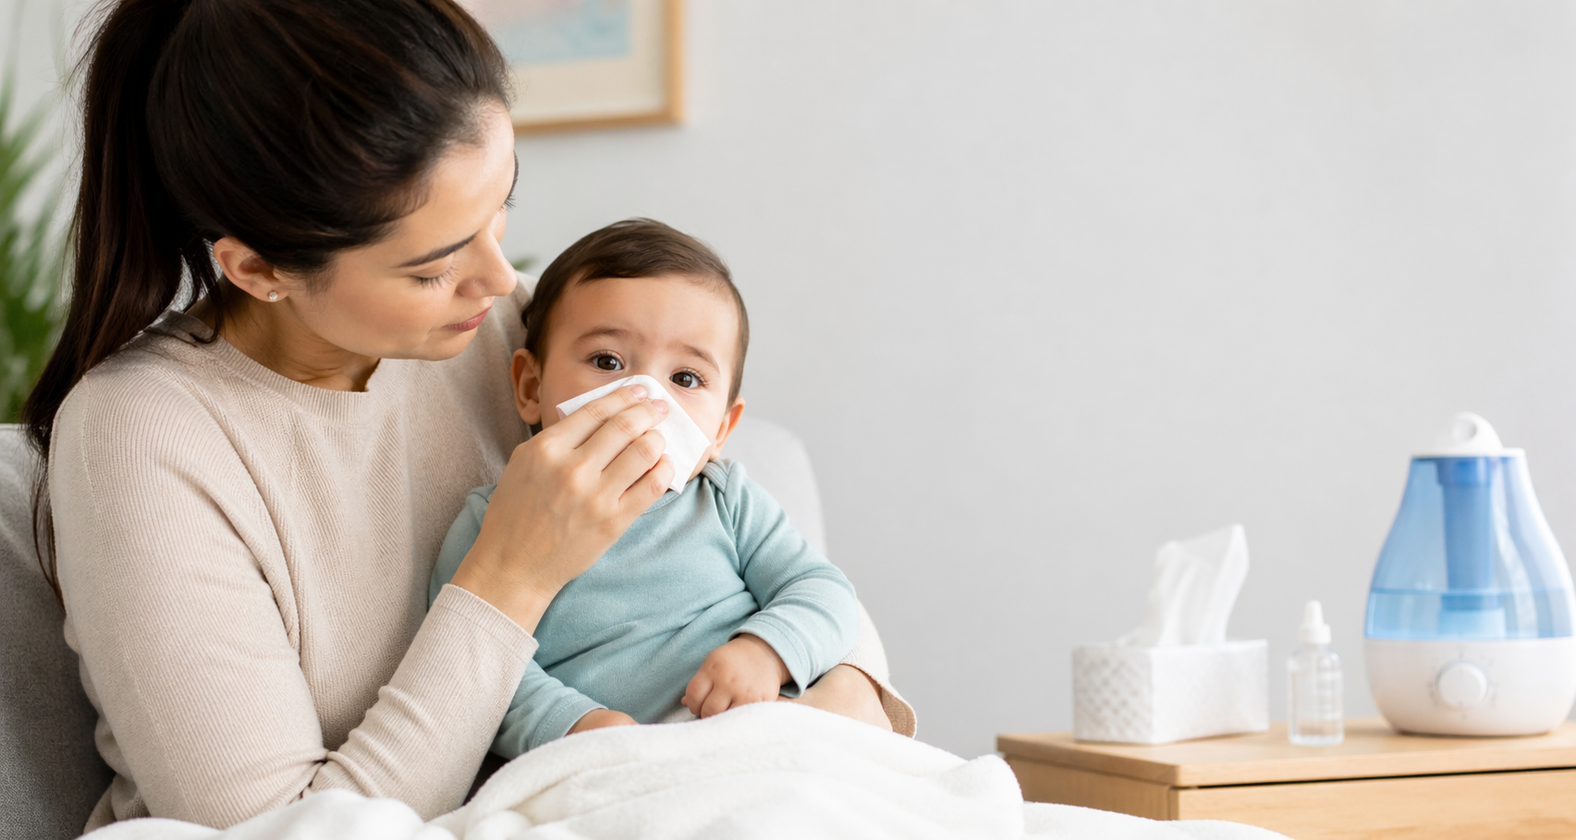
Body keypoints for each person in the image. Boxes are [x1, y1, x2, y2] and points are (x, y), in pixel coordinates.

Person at [20, 0, 912, 831]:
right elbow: (273, 825)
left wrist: (842, 692)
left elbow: (757, 552)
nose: (499, 278)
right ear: (259, 270)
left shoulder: (508, 331)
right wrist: (510, 577)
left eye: (500, 209)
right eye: (433, 267)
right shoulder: (141, 439)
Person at [431, 220, 865, 756]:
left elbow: (823, 591)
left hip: (756, 744)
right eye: (607, 362)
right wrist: (576, 725)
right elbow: (477, 668)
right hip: (609, 761)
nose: (646, 396)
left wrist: (766, 649)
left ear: (721, 430)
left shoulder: (725, 499)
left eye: (686, 378)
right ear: (530, 387)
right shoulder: (493, 521)